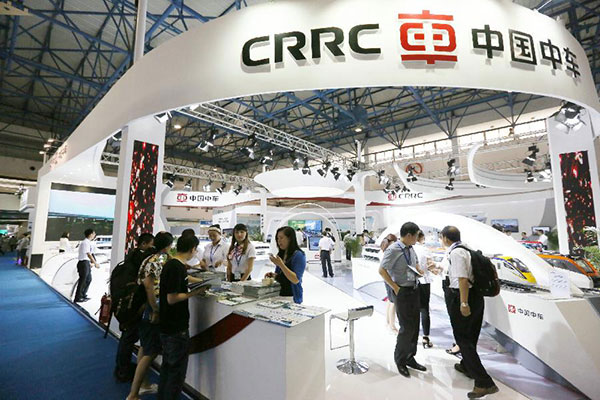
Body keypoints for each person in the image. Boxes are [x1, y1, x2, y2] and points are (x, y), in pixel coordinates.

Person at [440, 226, 499, 398]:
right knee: (471, 335)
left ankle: (484, 383)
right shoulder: (467, 248)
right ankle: (467, 366)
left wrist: (463, 303)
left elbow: (462, 279)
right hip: (476, 297)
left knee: (463, 339)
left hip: (463, 296)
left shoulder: (456, 253)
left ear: (445, 238)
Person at [158, 234, 208, 400]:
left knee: (168, 368)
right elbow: (172, 298)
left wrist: (201, 280)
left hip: (169, 324)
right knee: (176, 372)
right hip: (175, 326)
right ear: (192, 249)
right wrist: (194, 293)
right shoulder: (176, 267)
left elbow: (184, 280)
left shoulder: (174, 265)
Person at [126, 232, 173, 400]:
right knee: (150, 352)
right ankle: (133, 394)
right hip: (150, 309)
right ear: (167, 246)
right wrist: (155, 309)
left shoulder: (151, 258)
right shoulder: (156, 261)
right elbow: (149, 287)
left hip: (144, 308)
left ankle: (143, 385)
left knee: (145, 347)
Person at [378, 222, 426, 378]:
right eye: (416, 236)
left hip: (414, 289)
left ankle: (410, 357)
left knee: (415, 326)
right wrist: (395, 287)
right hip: (402, 291)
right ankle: (400, 360)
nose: (417, 239)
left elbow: (415, 264)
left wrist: (419, 270)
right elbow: (382, 270)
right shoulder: (393, 249)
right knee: (406, 328)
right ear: (409, 235)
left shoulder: (411, 248)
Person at [114, 233, 155, 383]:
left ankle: (122, 367)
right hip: (134, 305)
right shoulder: (141, 259)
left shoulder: (131, 256)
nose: (152, 248)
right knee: (129, 336)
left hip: (127, 304)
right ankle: (123, 370)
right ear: (144, 244)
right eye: (151, 244)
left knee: (127, 336)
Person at [266, 226, 306, 304]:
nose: (279, 241)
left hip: (292, 297)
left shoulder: (299, 255)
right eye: (277, 238)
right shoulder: (281, 254)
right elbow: (281, 276)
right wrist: (273, 275)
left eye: (281, 238)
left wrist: (281, 265)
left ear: (290, 238)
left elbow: (295, 279)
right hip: (278, 295)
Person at [414, 230, 440, 349]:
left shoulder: (409, 249)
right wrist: (437, 270)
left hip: (411, 282)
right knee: (424, 309)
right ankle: (425, 337)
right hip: (424, 281)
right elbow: (430, 265)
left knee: (413, 309)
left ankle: (413, 336)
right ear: (422, 238)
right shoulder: (425, 250)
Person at [75, 229, 99, 302]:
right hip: (83, 263)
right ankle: (78, 297)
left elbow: (91, 254)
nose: (94, 235)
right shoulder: (85, 242)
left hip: (86, 263)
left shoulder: (89, 243)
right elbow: (88, 254)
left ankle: (83, 294)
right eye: (94, 233)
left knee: (88, 279)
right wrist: (95, 263)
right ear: (90, 234)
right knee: (83, 280)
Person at [380, 233, 398, 333]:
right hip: (390, 278)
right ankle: (392, 326)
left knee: (390, 300)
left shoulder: (385, 250)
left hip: (387, 278)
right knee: (393, 302)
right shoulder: (390, 251)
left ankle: (388, 322)